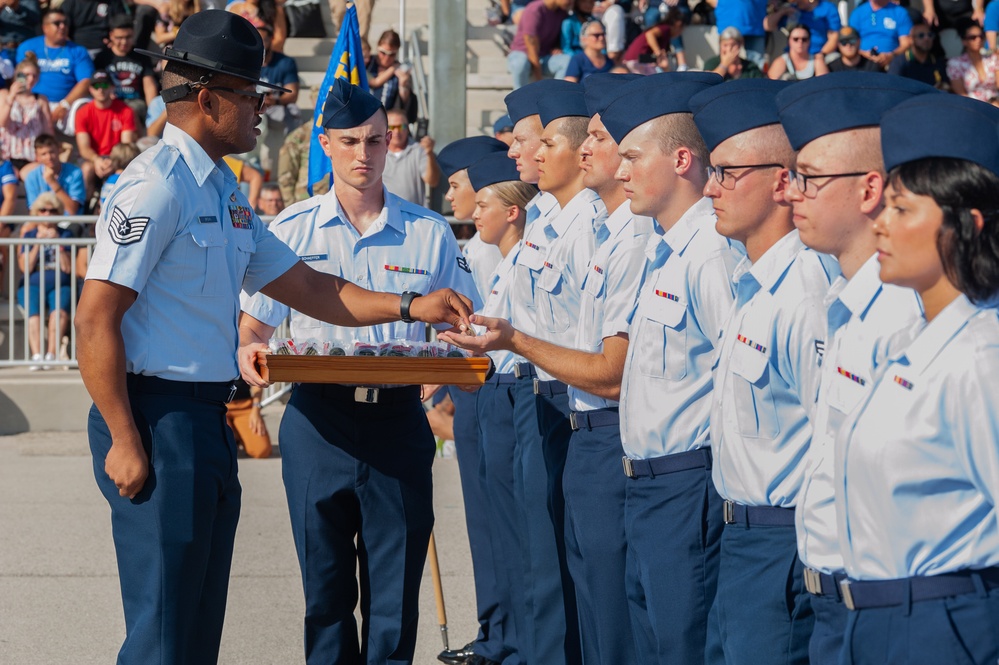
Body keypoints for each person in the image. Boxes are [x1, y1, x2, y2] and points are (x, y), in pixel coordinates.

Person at [75, 12, 474, 664]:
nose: (263, 109)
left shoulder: (224, 189)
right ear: (207, 100)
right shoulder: (155, 186)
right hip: (157, 416)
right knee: (162, 634)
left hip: (206, 419)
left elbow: (314, 290)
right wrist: (123, 436)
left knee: (197, 629)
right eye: (252, 96)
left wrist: (409, 301)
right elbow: (95, 317)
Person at [238, 77, 480, 665]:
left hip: (397, 423)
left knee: (395, 595)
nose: (363, 155)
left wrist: (446, 364)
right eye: (349, 141)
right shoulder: (292, 229)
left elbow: (464, 324)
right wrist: (248, 353)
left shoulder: (429, 233)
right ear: (325, 143)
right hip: (318, 424)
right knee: (325, 592)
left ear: (390, 142)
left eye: (375, 141)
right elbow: (254, 329)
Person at [444, 73, 654, 665]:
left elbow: (590, 350)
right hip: (541, 396)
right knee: (539, 560)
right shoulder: (551, 223)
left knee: (578, 585)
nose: (517, 153)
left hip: (578, 405)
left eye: (529, 141)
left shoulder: (595, 225)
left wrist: (512, 340)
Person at [775, 71, 934, 665]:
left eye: (809, 179)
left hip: (879, 603)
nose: (791, 192)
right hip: (828, 595)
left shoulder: (900, 317)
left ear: (870, 189)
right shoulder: (843, 302)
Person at [835, 91, 999, 665]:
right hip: (876, 620)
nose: (879, 223)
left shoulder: (982, 358)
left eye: (902, 209)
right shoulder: (909, 341)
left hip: (942, 626)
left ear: (965, 225)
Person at [592, 71, 735, 665]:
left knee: (685, 646)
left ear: (680, 159)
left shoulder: (711, 255)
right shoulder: (663, 248)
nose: (619, 171)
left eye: (631, 156)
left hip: (687, 487)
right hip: (646, 483)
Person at [702, 76, 838, 665]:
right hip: (737, 536)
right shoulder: (750, 282)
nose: (710, 189)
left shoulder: (804, 291)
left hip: (782, 545)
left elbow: (831, 440)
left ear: (783, 181)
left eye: (727, 173)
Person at [434, 136, 511, 665]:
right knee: (485, 525)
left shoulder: (489, 251)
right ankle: (496, 631)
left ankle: (505, 635)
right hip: (474, 389)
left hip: (492, 389)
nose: (450, 193)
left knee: (501, 524)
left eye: (457, 183)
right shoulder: (474, 249)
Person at [18, 191, 73, 370]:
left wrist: (59, 244)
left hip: (60, 280)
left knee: (59, 312)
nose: (47, 214)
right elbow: (25, 267)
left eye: (53, 211)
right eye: (43, 210)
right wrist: (36, 244)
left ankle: (51, 355)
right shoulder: (29, 234)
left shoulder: (66, 235)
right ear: (37, 212)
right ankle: (36, 355)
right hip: (33, 281)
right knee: (34, 313)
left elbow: (68, 268)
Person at [16, 9, 94, 134]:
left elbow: (86, 81)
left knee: (85, 107)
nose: (62, 26)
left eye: (65, 23)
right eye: (57, 23)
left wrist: (65, 104)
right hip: (35, 101)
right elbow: (19, 76)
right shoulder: (28, 47)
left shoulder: (78, 50)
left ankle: (84, 150)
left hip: (67, 102)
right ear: (45, 27)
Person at [75, 70, 137, 203]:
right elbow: (84, 148)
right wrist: (97, 160)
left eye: (104, 85)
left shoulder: (125, 111)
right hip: (92, 158)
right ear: (90, 89)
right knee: (87, 169)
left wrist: (113, 162)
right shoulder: (82, 113)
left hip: (116, 158)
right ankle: (83, 213)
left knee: (124, 170)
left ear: (112, 87)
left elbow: (125, 145)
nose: (100, 90)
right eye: (96, 86)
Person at [93, 14, 159, 126]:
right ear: (111, 35)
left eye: (128, 37)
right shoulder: (102, 58)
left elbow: (149, 86)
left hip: (135, 103)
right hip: (110, 102)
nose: (124, 42)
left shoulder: (141, 57)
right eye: (119, 38)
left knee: (132, 111)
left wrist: (152, 112)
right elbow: (96, 84)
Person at [0, 52, 54, 171]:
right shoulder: (4, 95)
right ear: (17, 75)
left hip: (31, 157)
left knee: (33, 175)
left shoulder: (40, 99)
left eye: (34, 76)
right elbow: (2, 123)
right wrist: (11, 97)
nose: (30, 79)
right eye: (26, 75)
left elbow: (47, 131)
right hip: (7, 156)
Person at [507, 0, 574, 89]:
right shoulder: (535, 10)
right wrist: (539, 82)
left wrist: (557, 47)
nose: (572, 2)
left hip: (544, 56)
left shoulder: (562, 12)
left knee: (568, 61)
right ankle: (518, 100)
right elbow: (531, 47)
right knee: (521, 63)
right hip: (522, 53)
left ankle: (554, 99)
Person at [381, 107, 440, 206]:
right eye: (392, 127)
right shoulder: (377, 151)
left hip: (414, 217)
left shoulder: (418, 150)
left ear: (407, 127)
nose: (396, 131)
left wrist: (429, 154)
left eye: (401, 127)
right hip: (384, 213)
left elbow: (432, 181)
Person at [25, 133, 86, 215]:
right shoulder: (32, 176)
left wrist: (53, 183)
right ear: (37, 156)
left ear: (59, 150)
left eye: (52, 152)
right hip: (42, 222)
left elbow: (72, 210)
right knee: (25, 228)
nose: (49, 157)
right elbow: (33, 211)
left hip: (69, 222)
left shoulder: (75, 172)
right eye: (44, 154)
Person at [277, 119, 330, 205]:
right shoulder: (300, 135)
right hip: (307, 202)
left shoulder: (347, 130)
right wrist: (291, 207)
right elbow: (286, 176)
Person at [849, 0, 913, 70]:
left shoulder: (899, 12)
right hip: (862, 62)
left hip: (891, 64)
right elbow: (850, 41)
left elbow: (906, 43)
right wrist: (864, 54)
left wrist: (891, 55)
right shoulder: (857, 13)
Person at [765, 0, 841, 57]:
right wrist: (782, 12)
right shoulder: (791, 9)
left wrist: (820, 56)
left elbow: (834, 37)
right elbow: (768, 26)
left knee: (834, 59)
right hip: (794, 56)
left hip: (819, 55)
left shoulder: (827, 8)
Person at [947, 18, 998, 101]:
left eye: (981, 36)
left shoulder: (992, 59)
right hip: (973, 108)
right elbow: (961, 94)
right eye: (972, 37)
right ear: (964, 41)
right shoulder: (955, 64)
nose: (978, 40)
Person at [367, 30, 415, 120]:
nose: (386, 58)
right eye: (383, 53)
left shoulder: (401, 71)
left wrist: (403, 84)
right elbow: (373, 82)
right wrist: (392, 69)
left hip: (386, 121)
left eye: (392, 54)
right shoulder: (367, 64)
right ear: (378, 47)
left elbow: (403, 105)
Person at [622, 8, 686, 73]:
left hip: (636, 59)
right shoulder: (665, 28)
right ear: (678, 24)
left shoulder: (665, 34)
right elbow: (649, 34)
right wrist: (658, 52)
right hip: (636, 60)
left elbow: (660, 62)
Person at [888, 21, 950, 89]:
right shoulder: (899, 63)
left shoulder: (937, 62)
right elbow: (892, 88)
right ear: (911, 39)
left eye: (930, 35)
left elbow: (946, 87)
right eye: (921, 35)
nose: (927, 38)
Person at [706, 0, 768, 67]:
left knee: (756, 66)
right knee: (727, 64)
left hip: (755, 22)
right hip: (728, 21)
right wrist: (723, 3)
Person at [60, 0, 130, 55]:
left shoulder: (113, 2)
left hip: (107, 50)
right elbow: (61, 29)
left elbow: (123, 25)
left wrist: (114, 41)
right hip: (76, 50)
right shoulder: (70, 3)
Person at [224, 378, 272, 458]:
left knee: (262, 451)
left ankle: (236, 435)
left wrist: (256, 410)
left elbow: (257, 381)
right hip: (219, 405)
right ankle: (234, 435)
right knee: (223, 452)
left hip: (245, 405)